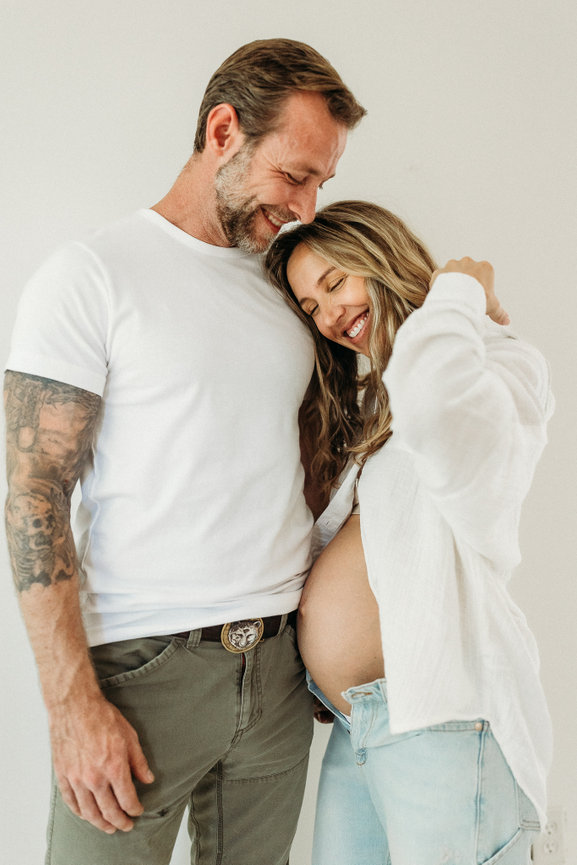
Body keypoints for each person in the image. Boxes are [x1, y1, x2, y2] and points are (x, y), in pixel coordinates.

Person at [3, 41, 365, 865]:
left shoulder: (289, 287)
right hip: (142, 670)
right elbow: (33, 492)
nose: (306, 206)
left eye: (320, 182)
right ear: (223, 130)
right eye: (294, 175)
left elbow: (313, 467)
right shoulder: (92, 275)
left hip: (278, 670)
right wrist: (70, 705)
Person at [265, 201, 553, 864]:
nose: (329, 316)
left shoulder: (497, 363)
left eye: (335, 283)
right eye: (311, 306)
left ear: (383, 259)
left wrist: (457, 294)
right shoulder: (377, 408)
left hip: (443, 720)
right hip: (360, 725)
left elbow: (439, 407)